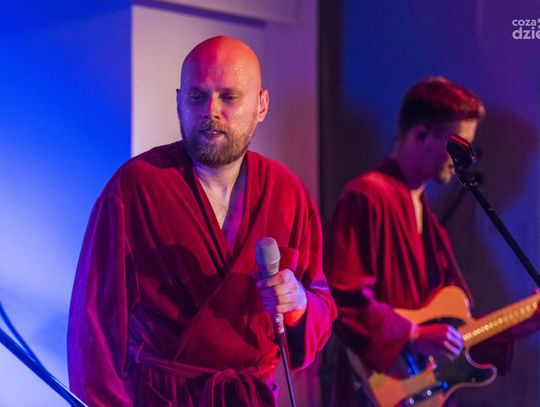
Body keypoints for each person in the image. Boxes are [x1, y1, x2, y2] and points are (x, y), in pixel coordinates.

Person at [67, 36, 336, 407]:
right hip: (164, 398)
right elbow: (93, 331)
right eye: (197, 97)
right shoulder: (137, 186)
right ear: (179, 102)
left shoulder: (287, 193)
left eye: (228, 97)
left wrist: (299, 303)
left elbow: (321, 305)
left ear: (261, 104)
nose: (211, 111)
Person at [322, 76, 538, 406]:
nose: (463, 158)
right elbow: (342, 297)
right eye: (458, 146)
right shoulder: (367, 196)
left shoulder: (424, 212)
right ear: (421, 134)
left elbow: (452, 333)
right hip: (378, 390)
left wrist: (525, 323)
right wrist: (412, 334)